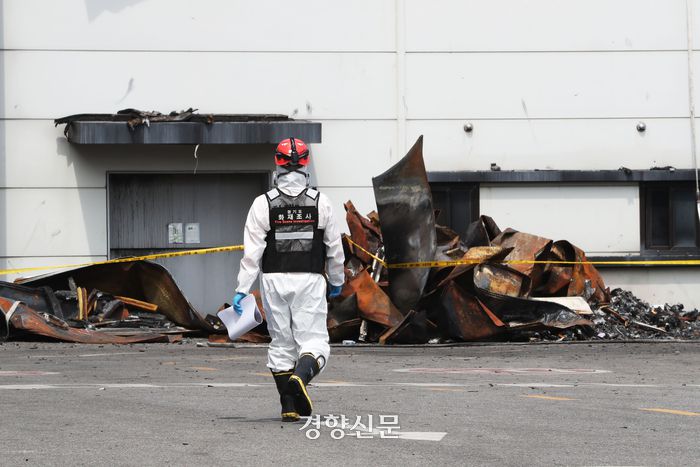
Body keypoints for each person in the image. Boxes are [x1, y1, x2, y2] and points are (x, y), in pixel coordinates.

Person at [233, 137, 345, 422]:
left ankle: (289, 405)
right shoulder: (321, 203)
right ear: (306, 163)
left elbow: (252, 253)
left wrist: (242, 289)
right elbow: (335, 248)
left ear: (277, 163)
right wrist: (336, 280)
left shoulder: (262, 204)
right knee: (314, 341)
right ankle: (300, 378)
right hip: (309, 280)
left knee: (281, 342)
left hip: (273, 280)